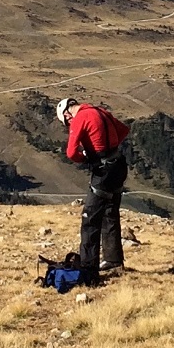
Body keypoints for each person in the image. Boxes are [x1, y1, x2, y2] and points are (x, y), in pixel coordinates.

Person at [55, 97, 128, 283]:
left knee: (91, 220)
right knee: (110, 213)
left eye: (66, 121)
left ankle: (89, 270)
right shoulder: (100, 111)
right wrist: (104, 144)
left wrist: (87, 157)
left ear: (67, 113)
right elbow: (123, 130)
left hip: (103, 171)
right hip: (118, 165)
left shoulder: (79, 118)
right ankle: (114, 260)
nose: (68, 124)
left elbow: (71, 152)